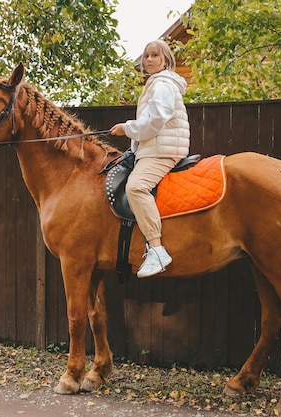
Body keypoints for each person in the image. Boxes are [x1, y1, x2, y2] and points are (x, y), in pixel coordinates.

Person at [110, 39, 191, 278]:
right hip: (155, 148)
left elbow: (155, 122)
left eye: (155, 55)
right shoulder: (156, 83)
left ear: (165, 59)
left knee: (136, 187)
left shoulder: (162, 84)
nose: (149, 60)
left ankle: (157, 250)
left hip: (162, 150)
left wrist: (126, 128)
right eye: (146, 56)